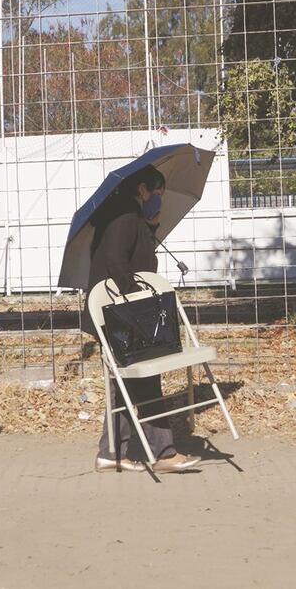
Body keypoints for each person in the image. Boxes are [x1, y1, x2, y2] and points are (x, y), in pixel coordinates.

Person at [83, 164, 200, 473]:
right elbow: (116, 260)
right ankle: (163, 453)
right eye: (157, 192)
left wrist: (150, 228)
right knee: (145, 378)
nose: (159, 198)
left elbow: (136, 256)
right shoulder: (124, 217)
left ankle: (111, 452)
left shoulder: (127, 217)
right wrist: (135, 296)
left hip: (116, 313)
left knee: (125, 382)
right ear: (142, 189)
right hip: (122, 313)